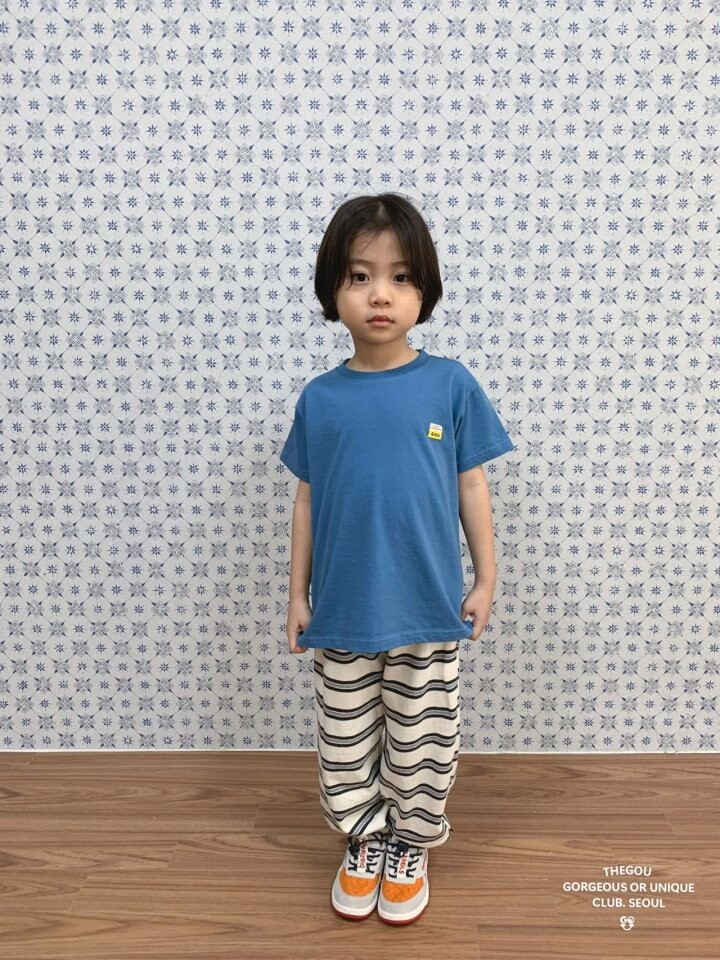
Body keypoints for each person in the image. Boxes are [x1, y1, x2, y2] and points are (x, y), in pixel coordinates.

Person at [279, 192, 515, 925]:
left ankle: (410, 842)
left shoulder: (450, 385)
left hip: (428, 605)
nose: (380, 294)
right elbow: (307, 502)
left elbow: (471, 485)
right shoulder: (320, 399)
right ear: (333, 289)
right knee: (344, 739)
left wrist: (486, 578)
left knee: (423, 740)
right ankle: (364, 839)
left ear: (424, 291)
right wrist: (297, 595)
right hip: (343, 609)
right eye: (360, 276)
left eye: (401, 276)